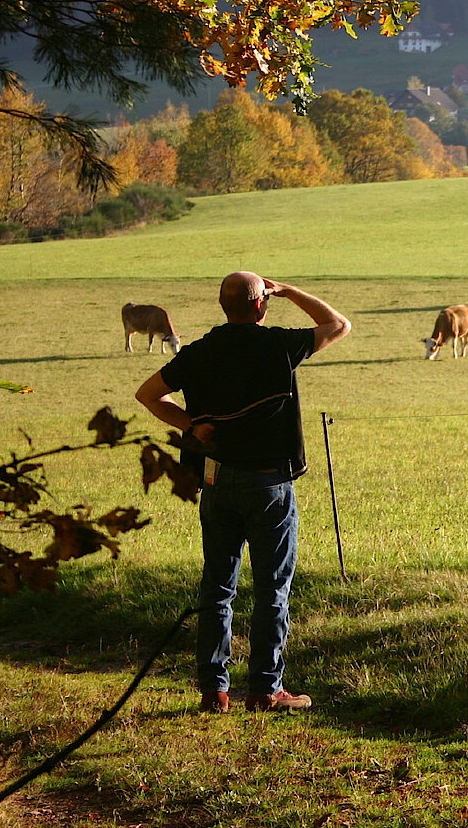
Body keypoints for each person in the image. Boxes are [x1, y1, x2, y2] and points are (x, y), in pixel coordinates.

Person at [135, 271, 350, 714]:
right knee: (272, 588)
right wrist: (289, 290)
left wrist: (191, 426)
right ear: (260, 305)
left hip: (217, 480)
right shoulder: (278, 345)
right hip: (270, 485)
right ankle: (265, 690)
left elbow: (148, 394)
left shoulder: (198, 353)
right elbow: (338, 325)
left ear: (222, 305)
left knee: (217, 587)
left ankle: (214, 691)